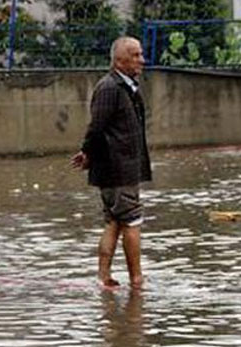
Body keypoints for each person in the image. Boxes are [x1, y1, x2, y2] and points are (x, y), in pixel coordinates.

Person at [71, 36, 151, 289]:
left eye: (140, 54)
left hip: (121, 167)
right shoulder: (110, 88)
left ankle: (104, 278)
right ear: (119, 60)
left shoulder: (126, 86)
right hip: (118, 169)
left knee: (114, 222)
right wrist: (87, 153)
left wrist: (89, 154)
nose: (142, 60)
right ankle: (136, 280)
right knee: (131, 221)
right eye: (135, 55)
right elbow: (97, 127)